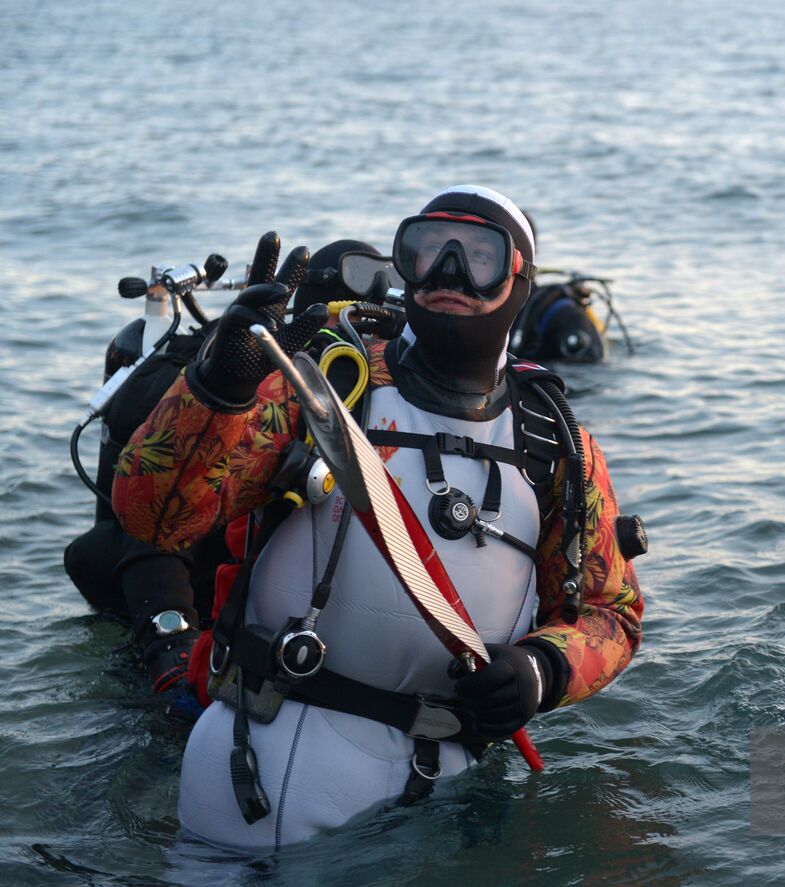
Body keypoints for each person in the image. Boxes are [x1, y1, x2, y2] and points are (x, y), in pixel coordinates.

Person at [113, 185, 645, 851]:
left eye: (479, 256)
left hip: (440, 805)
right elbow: (153, 517)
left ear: (519, 279)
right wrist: (217, 389)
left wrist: (544, 669)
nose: (449, 272)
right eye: (427, 250)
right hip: (256, 778)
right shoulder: (325, 385)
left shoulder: (553, 443)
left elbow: (610, 611)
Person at [65, 239, 383, 720]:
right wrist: (172, 655)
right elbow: (155, 536)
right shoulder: (266, 394)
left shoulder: (386, 399)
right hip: (179, 614)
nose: (366, 354)